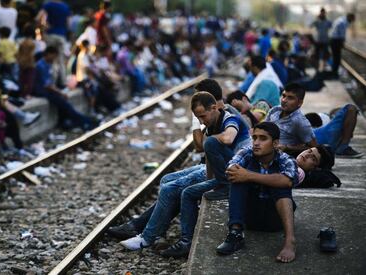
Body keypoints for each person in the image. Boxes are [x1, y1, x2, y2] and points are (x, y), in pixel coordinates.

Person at [109, 79, 226, 244]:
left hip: (217, 171)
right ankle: (151, 228)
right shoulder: (214, 116)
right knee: (166, 181)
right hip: (208, 167)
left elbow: (199, 146)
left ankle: (147, 234)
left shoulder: (224, 116)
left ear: (210, 100)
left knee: (172, 188)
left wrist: (195, 121)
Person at [215, 122, 334, 263]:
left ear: (275, 143)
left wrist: (249, 175)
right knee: (238, 179)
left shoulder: (286, 159)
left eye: (263, 138)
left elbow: (288, 180)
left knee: (280, 182)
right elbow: (231, 169)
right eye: (255, 138)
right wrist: (244, 175)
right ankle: (235, 233)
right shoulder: (247, 152)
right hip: (250, 217)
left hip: (274, 219)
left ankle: (290, 241)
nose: (256, 143)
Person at [159, 91, 251, 258]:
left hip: (243, 172)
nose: (202, 121)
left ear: (214, 108)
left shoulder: (230, 119)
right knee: (188, 193)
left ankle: (225, 186)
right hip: (225, 176)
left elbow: (229, 138)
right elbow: (208, 155)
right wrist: (209, 183)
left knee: (210, 142)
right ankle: (186, 242)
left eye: (203, 116)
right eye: (198, 118)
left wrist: (209, 139)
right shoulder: (211, 126)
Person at [33, 46, 94, 130]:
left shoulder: (48, 64)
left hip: (49, 90)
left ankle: (65, 122)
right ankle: (85, 121)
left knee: (64, 104)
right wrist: (60, 92)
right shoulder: (41, 65)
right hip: (43, 91)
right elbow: (47, 85)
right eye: (54, 55)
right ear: (48, 54)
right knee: (65, 105)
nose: (54, 58)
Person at [265, 83, 317, 157]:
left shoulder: (300, 122)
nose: (284, 100)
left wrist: (287, 147)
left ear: (300, 103)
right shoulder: (274, 110)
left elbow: (313, 148)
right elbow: (263, 129)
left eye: (290, 98)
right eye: (283, 96)